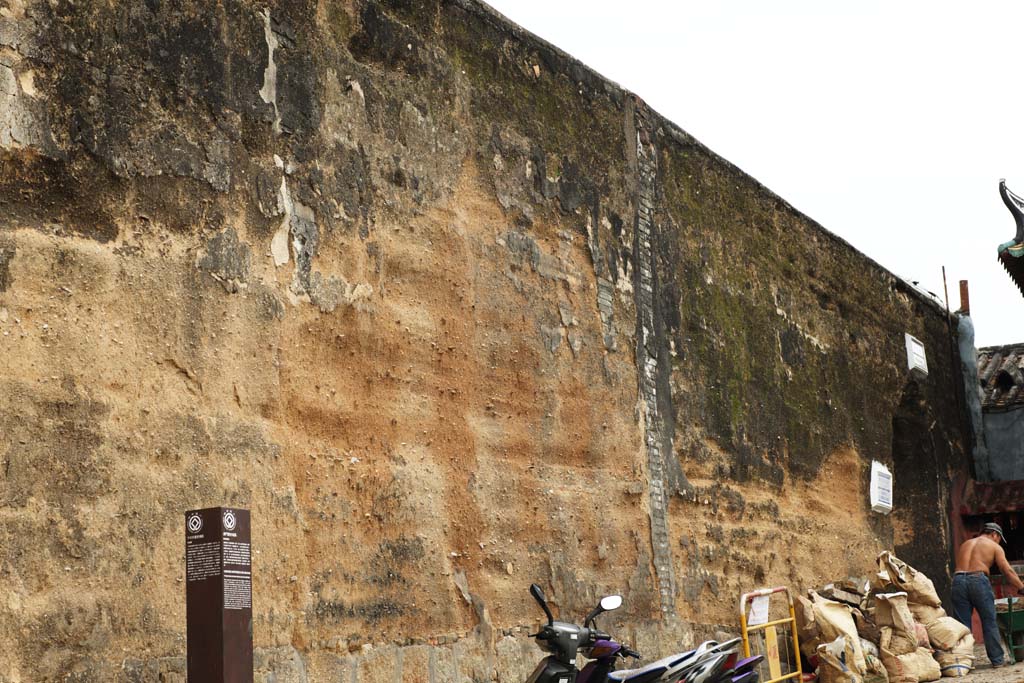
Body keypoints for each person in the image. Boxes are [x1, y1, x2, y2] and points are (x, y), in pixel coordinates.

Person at [952, 522, 1024, 668]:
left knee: (962, 625)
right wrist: (1021, 587)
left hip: (958, 580)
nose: (998, 542)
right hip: (978, 580)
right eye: (999, 539)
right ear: (994, 534)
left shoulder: (965, 544)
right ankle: (997, 661)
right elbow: (1007, 570)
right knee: (989, 621)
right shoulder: (994, 546)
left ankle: (963, 663)